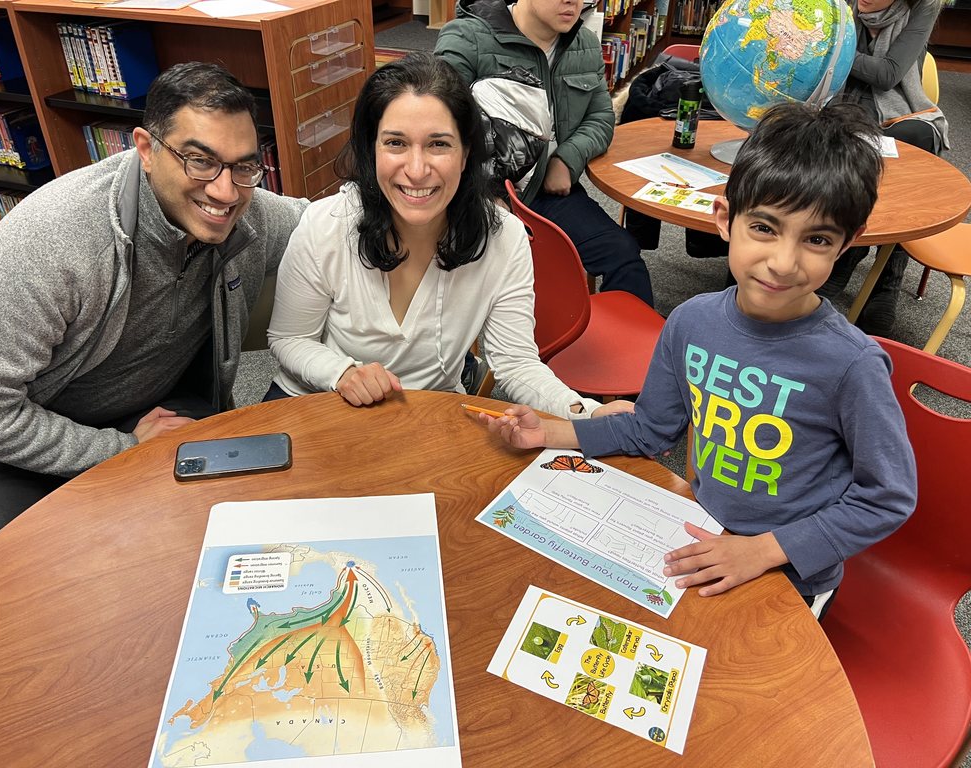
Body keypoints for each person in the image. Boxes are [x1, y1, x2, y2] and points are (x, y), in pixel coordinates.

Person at [479, 102, 917, 619]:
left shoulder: (852, 364)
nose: (783, 262)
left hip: (792, 577)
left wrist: (763, 550)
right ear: (725, 219)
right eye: (765, 228)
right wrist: (553, 432)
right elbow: (650, 428)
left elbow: (887, 496)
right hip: (703, 539)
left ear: (847, 245)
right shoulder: (691, 322)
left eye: (816, 239)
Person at [0, 62, 308, 570]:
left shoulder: (247, 213)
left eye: (244, 167)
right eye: (200, 161)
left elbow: (327, 225)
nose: (225, 192)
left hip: (159, 413)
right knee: (12, 590)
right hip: (10, 444)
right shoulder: (53, 241)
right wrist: (115, 449)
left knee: (241, 546)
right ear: (146, 149)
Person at [265, 52, 620, 421]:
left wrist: (588, 414)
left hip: (427, 414)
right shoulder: (327, 223)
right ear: (372, 150)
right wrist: (341, 373)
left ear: (466, 154)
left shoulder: (504, 238)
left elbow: (516, 363)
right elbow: (290, 339)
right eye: (396, 143)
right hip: (317, 401)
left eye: (439, 144)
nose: (417, 170)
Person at [434, 0, 654, 305]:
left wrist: (567, 159)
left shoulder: (584, 43)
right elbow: (439, 130)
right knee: (480, 281)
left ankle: (631, 338)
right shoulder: (467, 38)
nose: (572, 2)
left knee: (624, 256)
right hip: (475, 195)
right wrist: (486, 192)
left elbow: (600, 116)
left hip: (546, 193)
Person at [820, 0, 949, 336]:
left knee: (917, 140)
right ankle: (849, 255)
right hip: (842, 104)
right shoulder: (841, 4)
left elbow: (888, 75)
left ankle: (885, 280)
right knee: (835, 136)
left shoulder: (924, 8)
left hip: (898, 112)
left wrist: (833, 51)